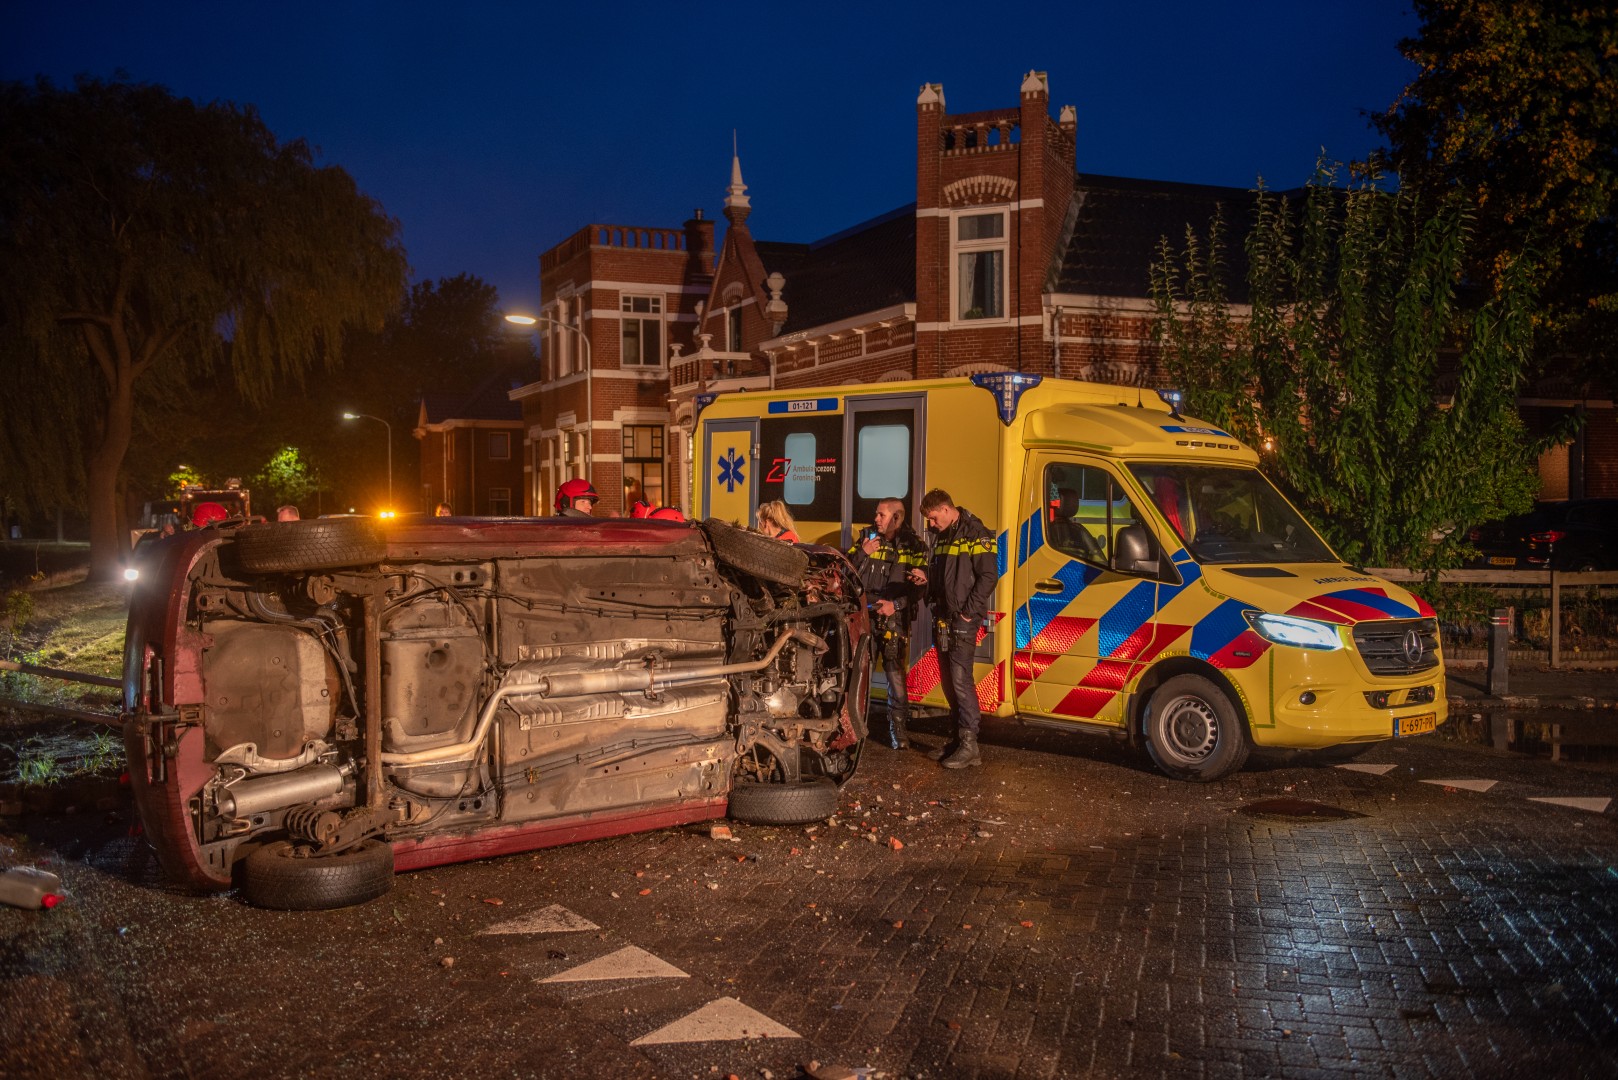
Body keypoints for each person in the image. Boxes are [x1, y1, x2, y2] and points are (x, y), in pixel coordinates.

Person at [914, 488, 997, 769]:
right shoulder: (943, 534)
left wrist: (967, 614)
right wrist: (926, 580)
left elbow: (988, 577)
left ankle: (970, 745)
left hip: (962, 619)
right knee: (949, 681)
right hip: (944, 617)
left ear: (947, 510)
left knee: (961, 680)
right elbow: (942, 575)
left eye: (934, 518)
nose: (931, 524)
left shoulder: (976, 533)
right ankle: (956, 741)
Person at [847, 497, 926, 749]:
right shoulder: (867, 539)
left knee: (895, 676)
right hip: (865, 617)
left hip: (894, 619)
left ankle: (898, 732)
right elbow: (845, 573)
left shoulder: (914, 545)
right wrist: (863, 552)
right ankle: (854, 730)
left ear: (897, 518)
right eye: (877, 514)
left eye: (881, 515)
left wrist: (896, 605)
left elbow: (921, 588)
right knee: (859, 674)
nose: (876, 519)